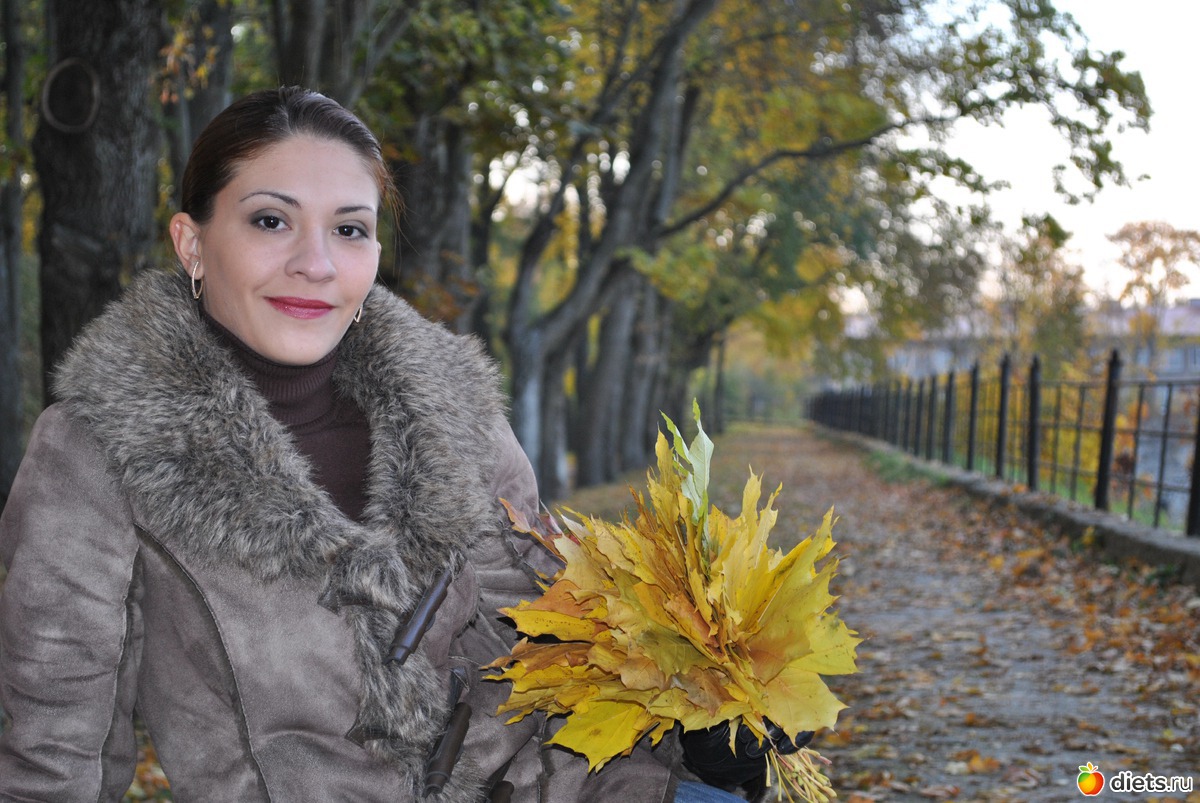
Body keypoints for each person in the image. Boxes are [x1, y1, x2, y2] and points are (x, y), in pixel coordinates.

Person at [0, 86, 794, 802]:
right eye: (271, 221)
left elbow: (555, 648)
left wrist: (694, 725)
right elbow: (53, 755)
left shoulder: (456, 413)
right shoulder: (99, 451)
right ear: (192, 243)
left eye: (350, 229)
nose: (315, 263)